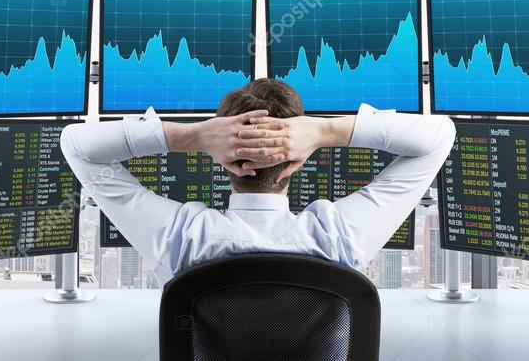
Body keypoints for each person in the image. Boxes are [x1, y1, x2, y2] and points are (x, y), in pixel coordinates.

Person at [60, 78, 455, 285]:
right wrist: (325, 132)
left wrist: (193, 136)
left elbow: (76, 146)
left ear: (223, 162)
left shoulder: (181, 239)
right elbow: (438, 138)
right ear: (297, 162)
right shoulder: (339, 238)